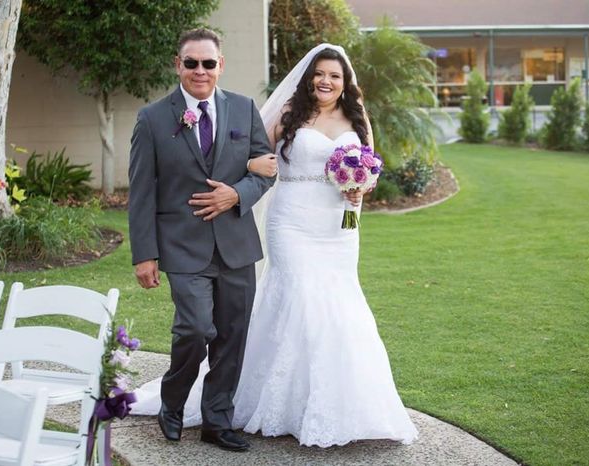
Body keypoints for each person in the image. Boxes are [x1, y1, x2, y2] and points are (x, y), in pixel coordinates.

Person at [132, 43, 418, 448]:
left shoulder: (357, 117)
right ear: (308, 76)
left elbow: (369, 166)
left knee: (337, 308)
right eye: (320, 73)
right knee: (297, 300)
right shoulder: (287, 115)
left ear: (345, 82)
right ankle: (203, 404)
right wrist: (246, 172)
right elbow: (251, 156)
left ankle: (318, 406)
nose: (326, 80)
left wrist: (360, 187)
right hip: (294, 224)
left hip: (338, 227)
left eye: (335, 75)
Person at [128, 28, 275, 452]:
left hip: (235, 245)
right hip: (182, 246)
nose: (199, 70)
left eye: (208, 63)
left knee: (232, 334)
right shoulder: (152, 118)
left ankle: (217, 420)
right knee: (194, 329)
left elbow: (265, 170)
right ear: (178, 65)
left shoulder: (244, 109)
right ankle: (172, 402)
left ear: (220, 66)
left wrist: (236, 194)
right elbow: (141, 192)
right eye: (191, 62)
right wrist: (145, 254)